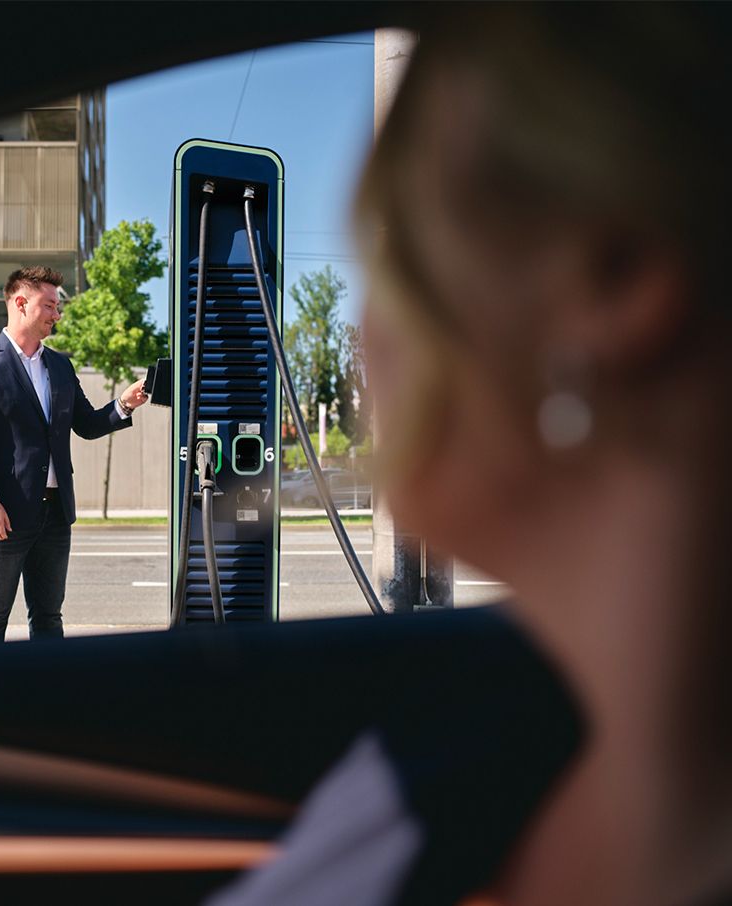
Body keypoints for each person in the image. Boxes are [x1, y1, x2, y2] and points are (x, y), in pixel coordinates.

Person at [213, 6, 731, 906]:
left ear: (614, 279)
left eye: (400, 251)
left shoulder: (433, 777)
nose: (366, 330)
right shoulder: (441, 762)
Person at [0, 266, 149, 644]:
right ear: (21, 303)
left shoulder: (59, 365)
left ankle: (48, 683)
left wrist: (124, 403)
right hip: (3, 515)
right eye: (50, 305)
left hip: (55, 515)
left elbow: (87, 424)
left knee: (48, 617)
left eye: (58, 307)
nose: (57, 315)